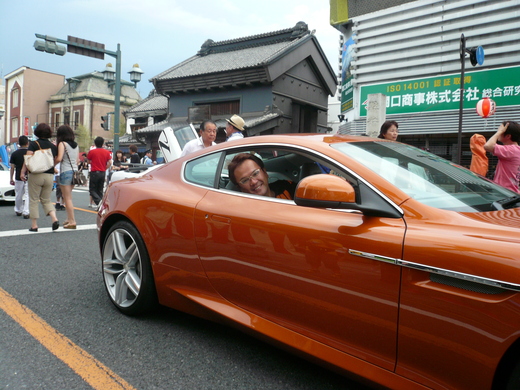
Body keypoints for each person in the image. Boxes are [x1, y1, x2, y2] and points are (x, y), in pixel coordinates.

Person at [20, 123, 59, 232]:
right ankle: (54, 218)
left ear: (37, 132)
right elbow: (54, 160)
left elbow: (27, 159)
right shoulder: (53, 146)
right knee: (46, 199)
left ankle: (34, 225)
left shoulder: (34, 144)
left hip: (36, 174)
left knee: (33, 199)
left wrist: (23, 172)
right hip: (49, 175)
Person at [228, 153, 296, 199]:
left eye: (255, 173)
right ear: (240, 188)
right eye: (245, 180)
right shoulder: (241, 213)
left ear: (265, 172)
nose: (253, 182)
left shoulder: (287, 187)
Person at [484, 121, 520, 193]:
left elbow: (487, 146)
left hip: (505, 192)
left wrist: (499, 132)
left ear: (508, 136)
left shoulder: (511, 150)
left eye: (501, 131)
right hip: (512, 192)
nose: (499, 133)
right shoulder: (516, 150)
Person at [55, 125, 79, 228]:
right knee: (69, 197)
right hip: (75, 172)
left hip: (66, 172)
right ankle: (69, 219)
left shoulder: (62, 144)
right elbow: (77, 161)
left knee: (67, 198)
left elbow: (59, 158)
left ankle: (72, 221)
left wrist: (52, 164)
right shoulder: (76, 145)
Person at [87, 137, 112, 208]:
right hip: (102, 172)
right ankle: (102, 204)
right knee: (100, 189)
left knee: (92, 189)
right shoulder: (106, 152)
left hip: (94, 172)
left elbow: (88, 161)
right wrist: (105, 168)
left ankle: (99, 202)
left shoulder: (92, 152)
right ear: (103, 143)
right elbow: (110, 162)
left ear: (95, 143)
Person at [9, 135, 30, 218]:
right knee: (28, 194)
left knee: (18, 194)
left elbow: (12, 167)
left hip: (18, 176)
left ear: (18, 143)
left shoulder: (14, 154)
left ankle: (18, 210)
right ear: (27, 143)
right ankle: (26, 212)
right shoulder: (30, 152)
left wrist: (11, 178)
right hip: (29, 176)